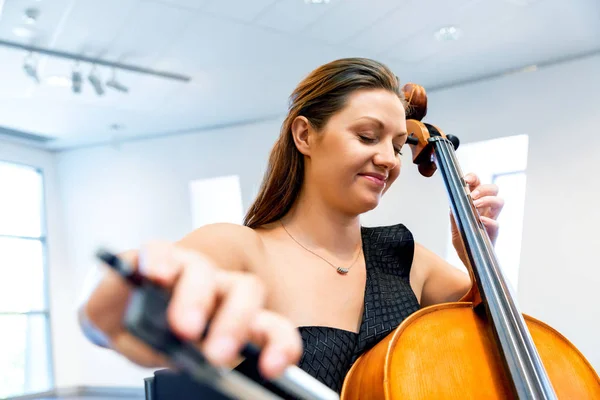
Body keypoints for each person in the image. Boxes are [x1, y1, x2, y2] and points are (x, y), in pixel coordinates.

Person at [79, 58, 503, 395]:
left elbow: (487, 345)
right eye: (367, 136)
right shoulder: (240, 249)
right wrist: (121, 301)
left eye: (396, 145)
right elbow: (119, 313)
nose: (391, 160)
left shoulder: (405, 258)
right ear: (305, 135)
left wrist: (478, 258)